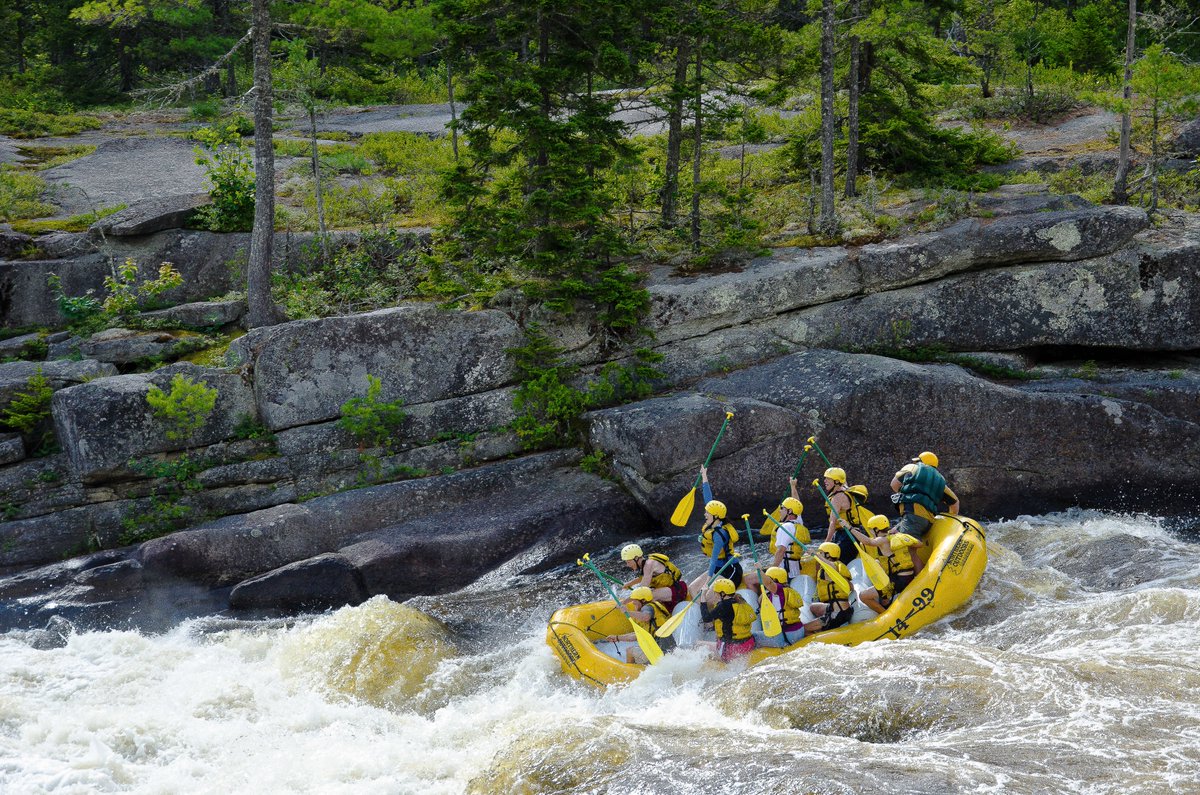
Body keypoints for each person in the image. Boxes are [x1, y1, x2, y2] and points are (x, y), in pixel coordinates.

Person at [849, 515, 927, 606]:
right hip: (909, 576)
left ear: (876, 529)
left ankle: (882, 616)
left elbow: (868, 542)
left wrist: (850, 528)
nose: (870, 532)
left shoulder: (882, 540)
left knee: (863, 596)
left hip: (898, 581)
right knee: (879, 563)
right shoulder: (899, 536)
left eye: (870, 530)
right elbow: (920, 544)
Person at [690, 466, 743, 595]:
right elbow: (709, 499)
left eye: (707, 513)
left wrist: (708, 581)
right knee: (692, 589)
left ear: (716, 516)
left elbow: (713, 559)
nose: (705, 514)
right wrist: (704, 476)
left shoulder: (719, 535)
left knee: (709, 594)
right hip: (718, 569)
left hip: (730, 570)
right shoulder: (712, 524)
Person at [890, 451, 960, 539]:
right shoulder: (940, 481)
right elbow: (955, 503)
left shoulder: (912, 467)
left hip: (913, 514)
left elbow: (894, 484)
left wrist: (905, 493)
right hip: (929, 521)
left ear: (921, 461)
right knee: (892, 533)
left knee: (906, 546)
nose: (915, 463)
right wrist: (950, 521)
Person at [769, 481, 816, 603]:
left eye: (782, 508)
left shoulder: (786, 528)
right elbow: (797, 504)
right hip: (795, 571)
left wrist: (772, 572)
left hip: (784, 573)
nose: (779, 511)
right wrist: (793, 486)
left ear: (789, 511)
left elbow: (780, 551)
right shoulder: (798, 523)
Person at [603, 587, 674, 664]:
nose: (633, 603)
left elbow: (645, 617)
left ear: (643, 600)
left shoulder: (648, 607)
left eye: (635, 600)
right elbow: (637, 635)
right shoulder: (655, 610)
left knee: (630, 651)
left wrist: (628, 612)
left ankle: (630, 672)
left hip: (660, 653)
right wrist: (617, 638)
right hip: (669, 652)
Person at [801, 542, 854, 634]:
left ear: (827, 554)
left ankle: (820, 634)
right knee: (813, 607)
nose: (819, 555)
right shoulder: (837, 567)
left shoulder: (832, 569)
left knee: (803, 630)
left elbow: (831, 566)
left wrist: (816, 555)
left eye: (821, 553)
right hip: (839, 609)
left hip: (838, 614)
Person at [698, 577, 756, 661]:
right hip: (748, 643)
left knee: (698, 645)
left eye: (716, 593)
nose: (715, 594)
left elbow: (706, 618)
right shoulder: (740, 599)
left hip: (732, 649)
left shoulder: (723, 606)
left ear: (722, 593)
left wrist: (703, 595)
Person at [619, 544, 688, 612]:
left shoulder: (649, 565)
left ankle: (640, 619)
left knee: (644, 597)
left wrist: (624, 602)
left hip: (678, 590)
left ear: (636, 558)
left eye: (628, 562)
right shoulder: (645, 565)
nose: (627, 565)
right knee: (643, 596)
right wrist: (630, 584)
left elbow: (642, 591)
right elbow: (644, 578)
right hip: (669, 591)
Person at [753, 566, 805, 648]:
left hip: (786, 635)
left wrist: (759, 569)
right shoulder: (788, 590)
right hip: (798, 631)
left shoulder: (779, 591)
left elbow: (768, 583)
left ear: (775, 580)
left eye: (768, 578)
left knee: (753, 636)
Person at [820, 467, 858, 563]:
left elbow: (833, 522)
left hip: (847, 535)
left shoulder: (837, 498)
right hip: (849, 533)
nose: (825, 481)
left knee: (835, 561)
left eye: (828, 479)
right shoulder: (845, 489)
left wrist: (826, 543)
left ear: (836, 481)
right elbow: (844, 482)